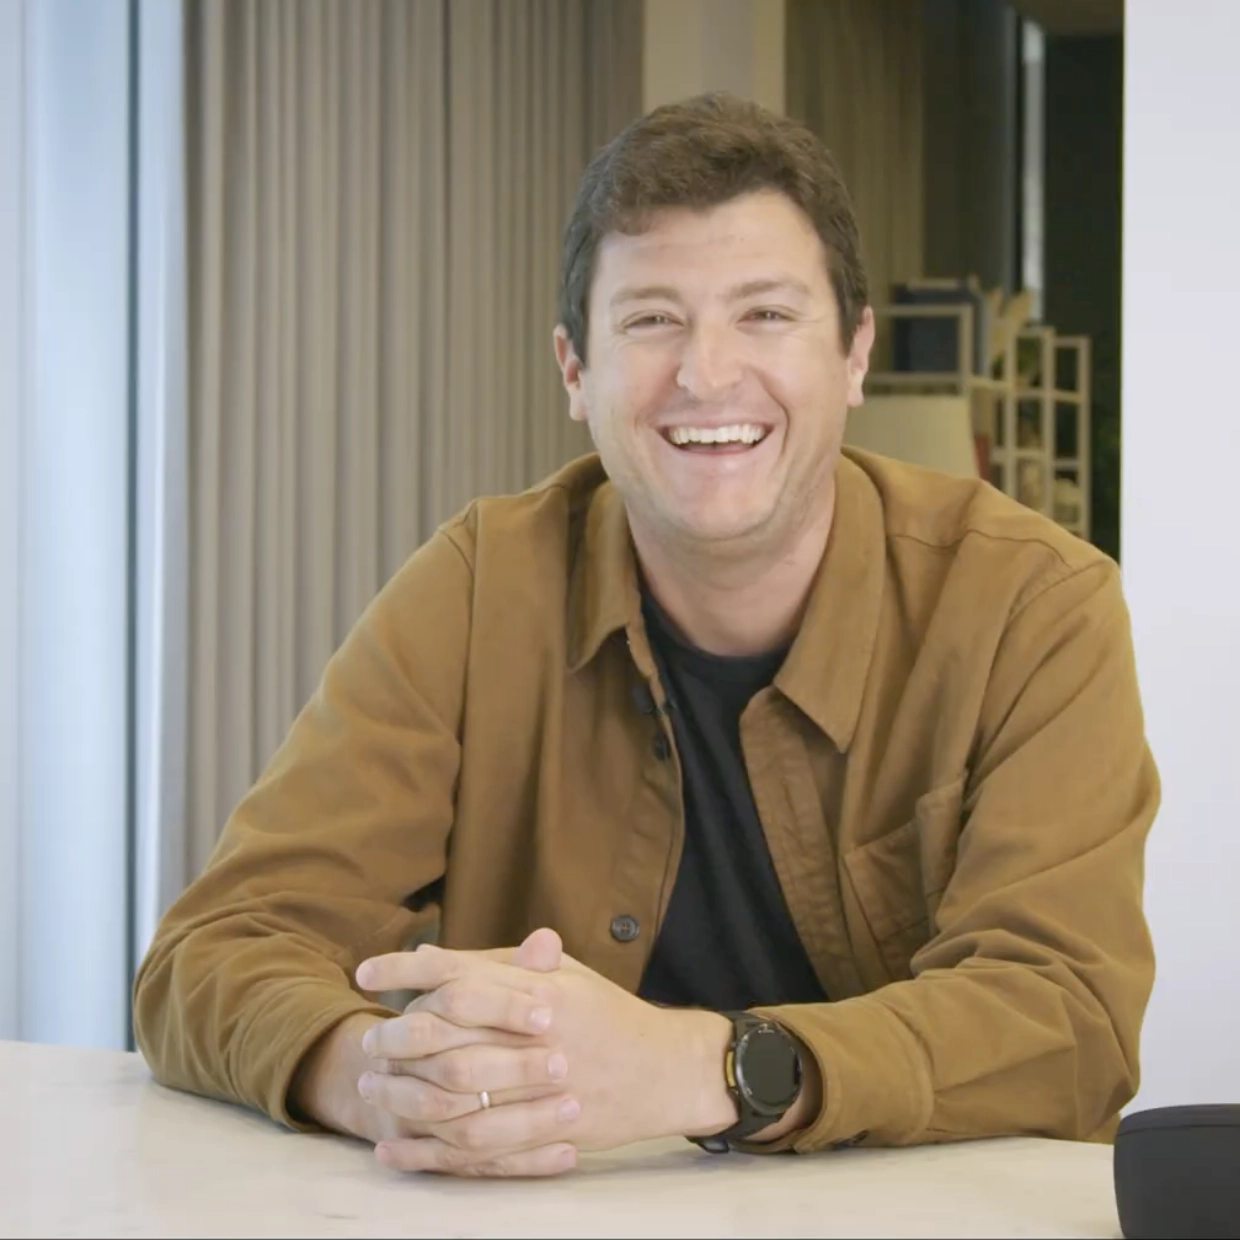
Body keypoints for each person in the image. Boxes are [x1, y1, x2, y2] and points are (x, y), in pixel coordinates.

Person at [134, 93, 1159, 1180]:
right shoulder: (479, 586)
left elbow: (1070, 1021)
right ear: (576, 371)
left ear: (853, 354)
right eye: (651, 319)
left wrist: (703, 1067)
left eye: (765, 314)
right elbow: (213, 952)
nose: (707, 373)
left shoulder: (1034, 605)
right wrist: (381, 1076)